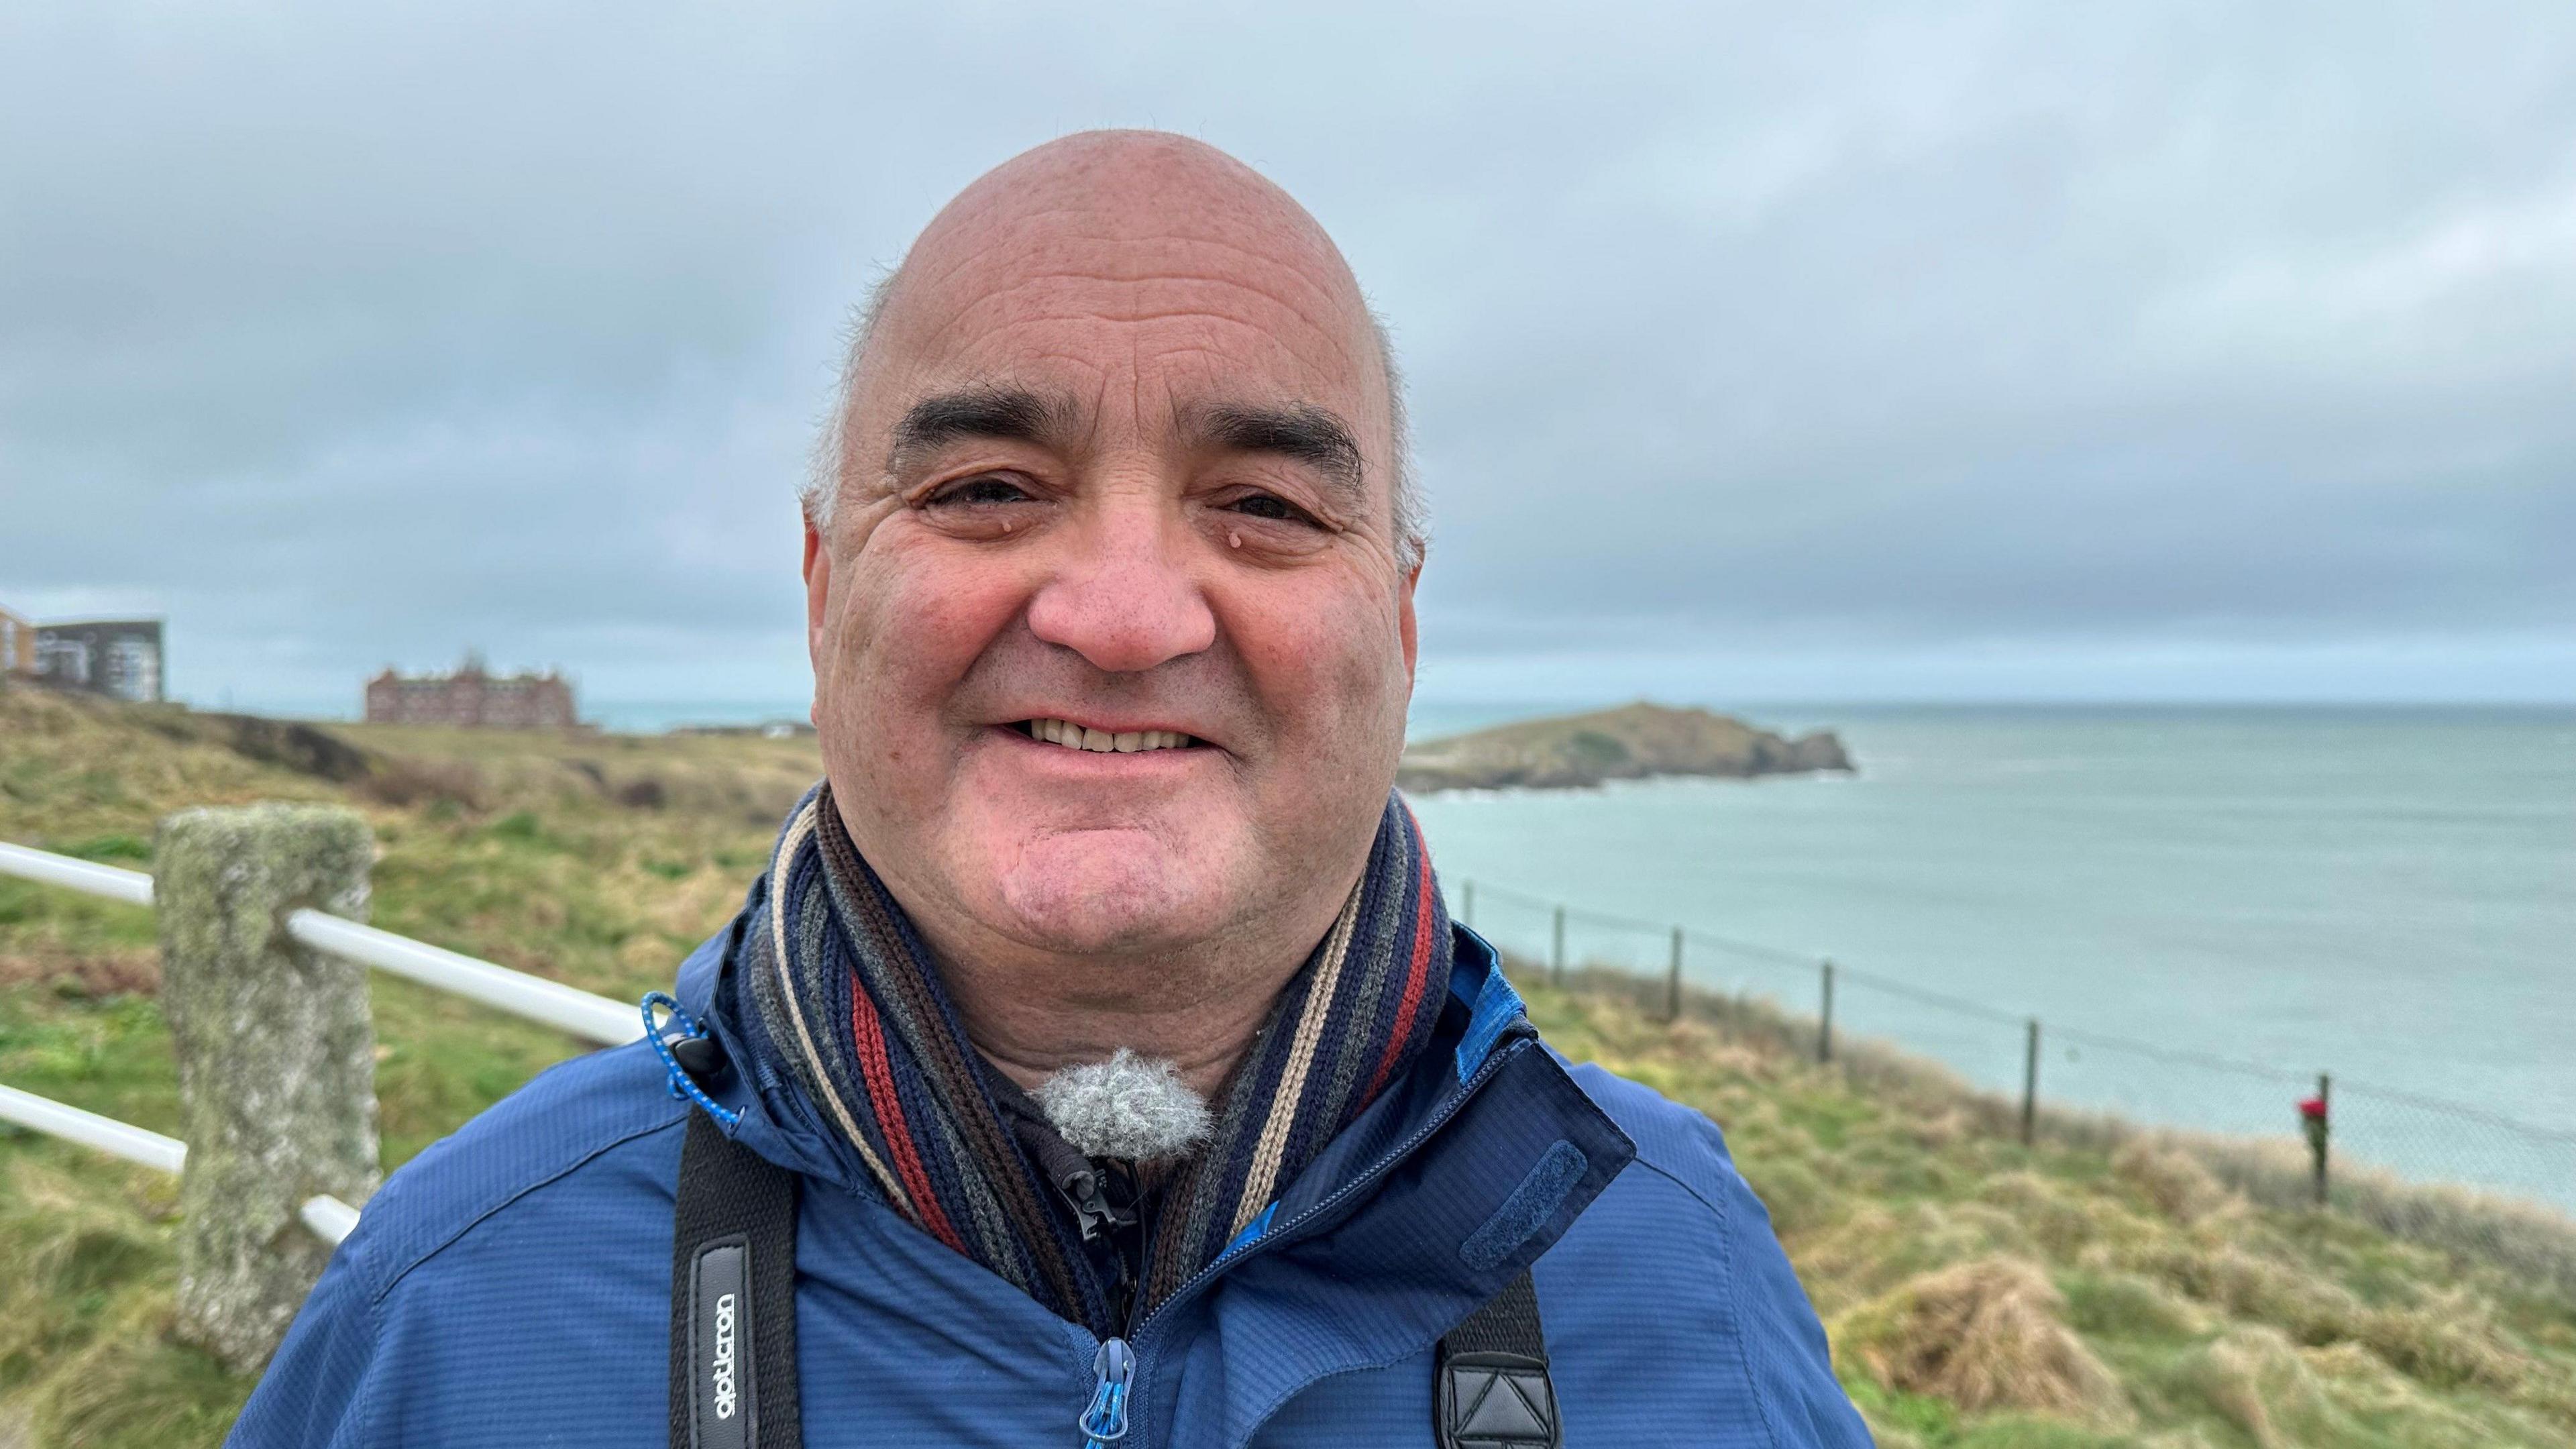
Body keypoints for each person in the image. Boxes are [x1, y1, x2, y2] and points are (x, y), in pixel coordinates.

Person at [230, 131, 1871, 1448]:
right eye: (990, 489)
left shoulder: (1678, 1271)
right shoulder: (453, 1304)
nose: (1124, 614)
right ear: (823, 589)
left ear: (1404, 618)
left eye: (1269, 507)